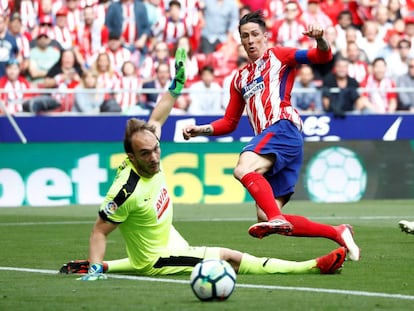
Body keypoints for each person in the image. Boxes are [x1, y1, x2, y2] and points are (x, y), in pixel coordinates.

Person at [59, 48, 347, 281]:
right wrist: (95, 270)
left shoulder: (148, 146)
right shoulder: (125, 189)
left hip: (168, 242)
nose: (155, 157)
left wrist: (176, 86)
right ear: (133, 158)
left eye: (156, 149)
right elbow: (99, 230)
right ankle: (310, 267)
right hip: (158, 260)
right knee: (230, 258)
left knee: (244, 225)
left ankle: (106, 266)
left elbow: (157, 119)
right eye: (146, 154)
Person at [182, 11, 360, 262]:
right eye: (245, 36)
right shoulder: (239, 78)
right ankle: (338, 232)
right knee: (266, 216)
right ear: (240, 41)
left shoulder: (279, 56)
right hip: (274, 141)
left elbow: (322, 56)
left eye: (255, 34)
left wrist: (321, 39)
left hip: (282, 127)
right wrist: (202, 129)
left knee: (244, 167)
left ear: (265, 36)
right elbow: (230, 122)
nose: (251, 40)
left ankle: (278, 219)